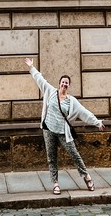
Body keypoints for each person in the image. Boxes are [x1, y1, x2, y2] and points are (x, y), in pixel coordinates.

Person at [25, 57, 104, 196]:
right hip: (48, 130)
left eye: (66, 83)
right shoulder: (50, 91)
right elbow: (40, 80)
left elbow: (84, 113)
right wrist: (32, 67)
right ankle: (55, 184)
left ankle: (87, 178)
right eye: (62, 82)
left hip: (63, 132)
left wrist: (97, 122)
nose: (64, 84)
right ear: (59, 83)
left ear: (69, 85)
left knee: (75, 155)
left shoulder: (72, 101)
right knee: (51, 157)